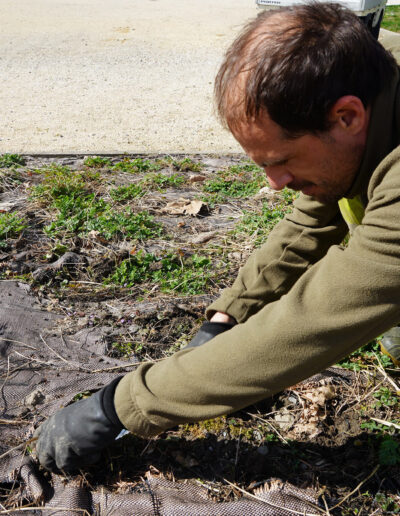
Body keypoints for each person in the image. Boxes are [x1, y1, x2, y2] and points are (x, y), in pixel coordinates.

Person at [35, 2, 400, 472]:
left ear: (347, 116)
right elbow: (315, 217)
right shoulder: (363, 77)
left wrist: (118, 406)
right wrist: (228, 317)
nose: (274, 183)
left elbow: (316, 321)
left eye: (281, 160)